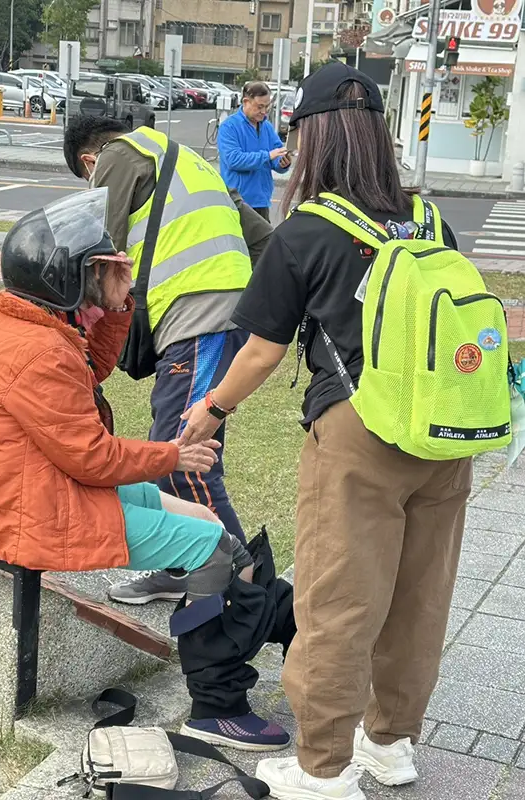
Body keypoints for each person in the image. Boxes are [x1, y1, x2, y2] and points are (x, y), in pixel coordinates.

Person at [179, 62, 473, 799]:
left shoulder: (308, 231)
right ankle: (389, 744)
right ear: (378, 135)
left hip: (359, 436)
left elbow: (261, 350)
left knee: (339, 601)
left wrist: (209, 409)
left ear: (312, 137)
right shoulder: (432, 220)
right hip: (444, 439)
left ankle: (322, 768)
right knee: (418, 597)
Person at [0, 189, 295, 751]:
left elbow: (95, 365)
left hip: (45, 489)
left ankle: (280, 621)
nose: (118, 271)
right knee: (209, 549)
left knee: (213, 533)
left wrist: (118, 298)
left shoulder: (32, 326)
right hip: (32, 511)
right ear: (67, 278)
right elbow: (91, 455)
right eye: (104, 268)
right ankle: (215, 705)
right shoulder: (36, 351)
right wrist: (172, 456)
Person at [63, 115, 272, 606]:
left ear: (89, 161)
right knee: (179, 452)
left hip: (198, 315)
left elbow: (101, 250)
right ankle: (188, 568)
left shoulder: (117, 155)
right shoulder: (192, 163)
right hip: (220, 314)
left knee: (182, 458)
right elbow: (263, 239)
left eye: (87, 180)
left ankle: (247, 590)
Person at [217, 81, 292, 222]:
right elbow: (234, 160)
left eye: (267, 107)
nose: (264, 112)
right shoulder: (229, 127)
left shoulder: (267, 127)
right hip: (237, 202)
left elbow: (276, 157)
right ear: (246, 102)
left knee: (266, 243)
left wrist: (283, 163)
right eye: (260, 107)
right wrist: (268, 155)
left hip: (262, 202)